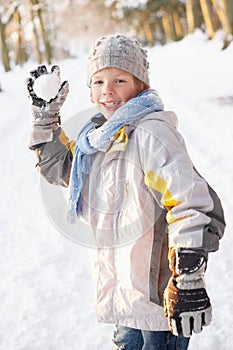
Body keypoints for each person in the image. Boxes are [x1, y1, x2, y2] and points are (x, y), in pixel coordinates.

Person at [27, 34, 225, 350]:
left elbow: (191, 203)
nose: (108, 89)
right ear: (90, 91)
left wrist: (188, 278)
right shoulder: (98, 140)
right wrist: (45, 118)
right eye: (99, 81)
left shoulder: (151, 135)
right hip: (124, 300)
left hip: (157, 304)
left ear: (140, 87)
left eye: (120, 79)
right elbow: (62, 168)